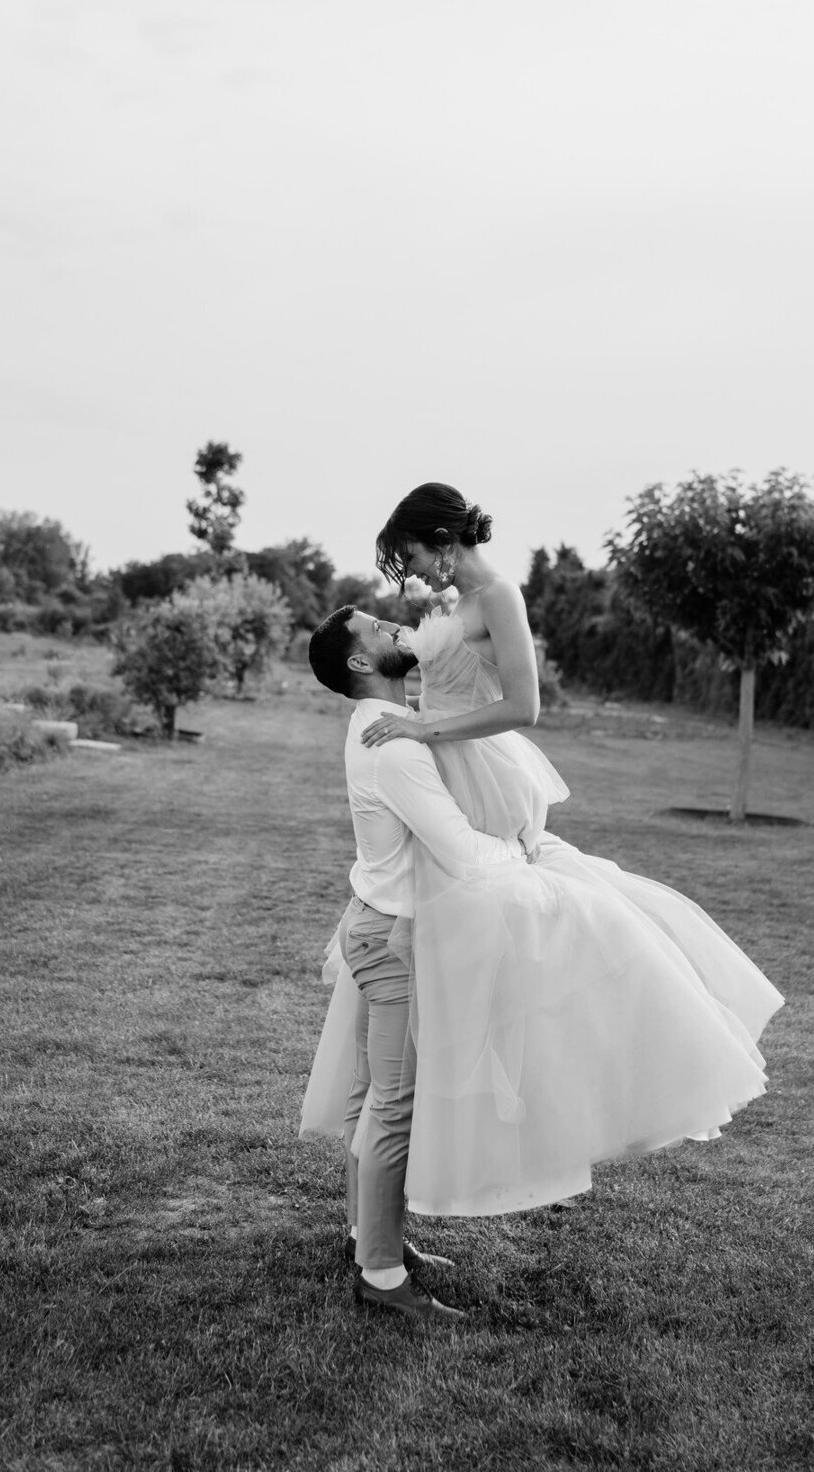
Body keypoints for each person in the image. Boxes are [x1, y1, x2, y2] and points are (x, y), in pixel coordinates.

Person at [301, 486, 783, 1287]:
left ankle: (381, 1228)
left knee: (518, 936)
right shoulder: (448, 610)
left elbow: (521, 705)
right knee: (400, 1048)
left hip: (462, 762)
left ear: (442, 539)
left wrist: (426, 727)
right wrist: (414, 724)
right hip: (430, 783)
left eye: (412, 554)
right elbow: (401, 684)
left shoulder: (499, 596)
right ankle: (372, 1237)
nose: (408, 576)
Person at [302, 603, 530, 1320]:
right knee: (393, 1107)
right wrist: (521, 853)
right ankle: (380, 1273)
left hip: (375, 926)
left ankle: (373, 1236)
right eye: (377, 627)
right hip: (395, 941)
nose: (396, 626)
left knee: (374, 1096)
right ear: (361, 662)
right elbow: (458, 850)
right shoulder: (394, 748)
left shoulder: (381, 729)